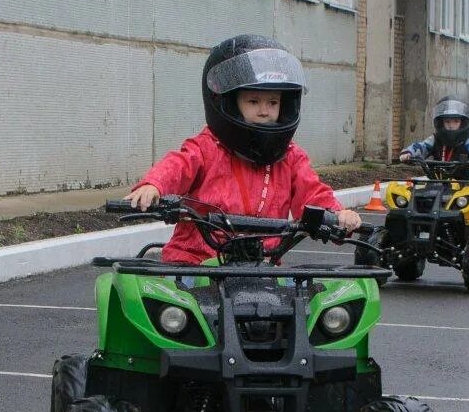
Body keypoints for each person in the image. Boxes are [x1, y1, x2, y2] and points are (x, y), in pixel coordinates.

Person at [125, 34, 362, 264]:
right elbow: (179, 165)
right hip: (196, 261)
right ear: (231, 103)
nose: (264, 110)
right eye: (253, 101)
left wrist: (336, 215)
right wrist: (153, 185)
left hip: (262, 264)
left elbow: (313, 194)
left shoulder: (290, 157)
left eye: (273, 102)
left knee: (305, 298)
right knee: (168, 300)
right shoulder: (208, 147)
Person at [398, 96, 469, 168]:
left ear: (463, 123)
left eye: (456, 121)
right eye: (447, 121)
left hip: (461, 185)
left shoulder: (466, 141)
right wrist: (409, 153)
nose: (451, 125)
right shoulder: (435, 139)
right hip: (436, 181)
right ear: (441, 122)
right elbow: (421, 146)